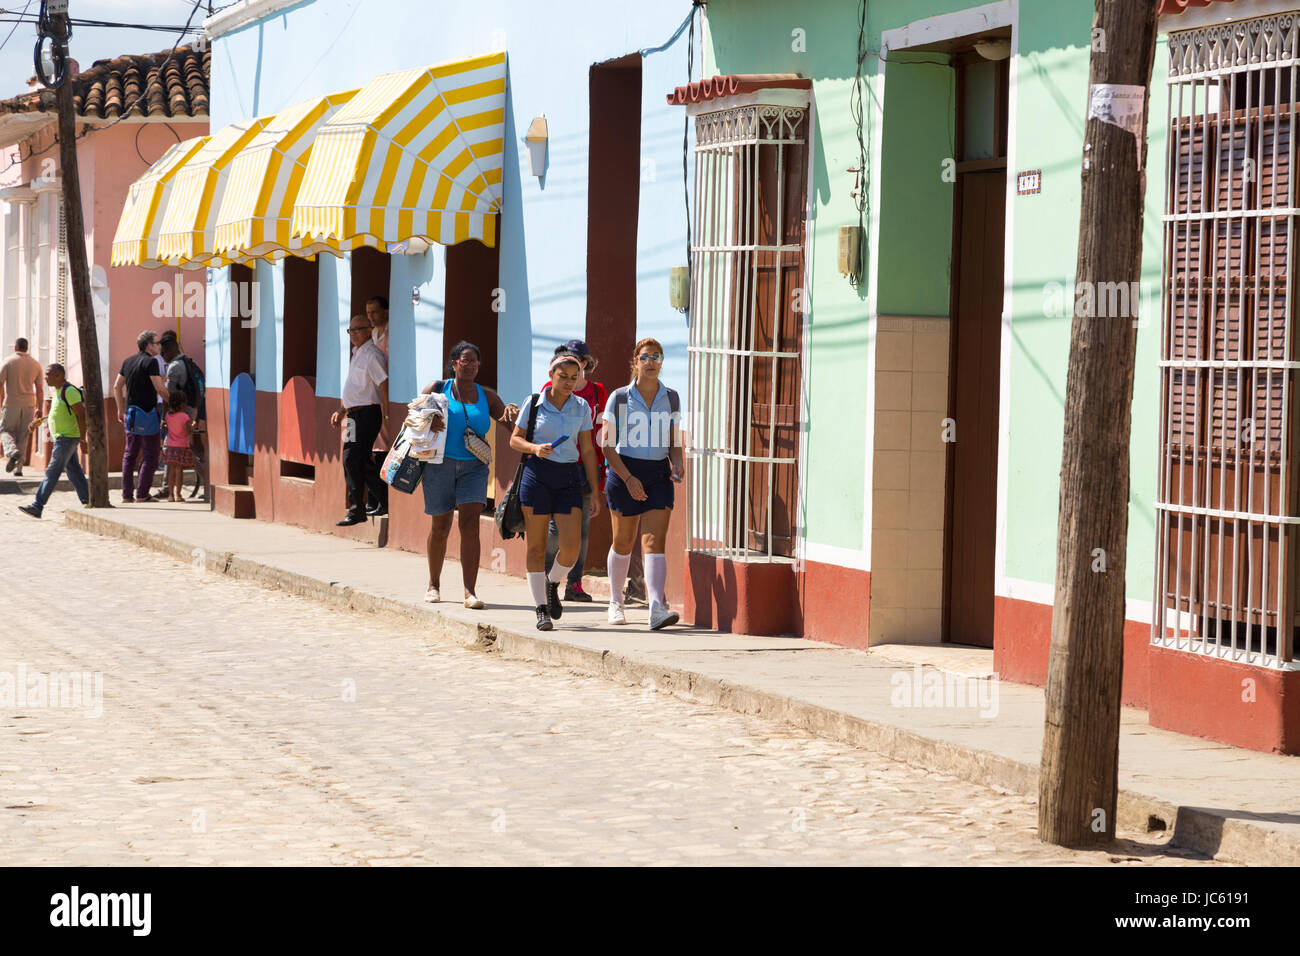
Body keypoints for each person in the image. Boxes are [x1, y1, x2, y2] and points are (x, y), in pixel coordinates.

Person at [419, 341, 520, 607]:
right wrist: (428, 419)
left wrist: (515, 416)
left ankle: (469, 592)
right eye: (465, 360)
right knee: (440, 526)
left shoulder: (487, 396)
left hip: (475, 467)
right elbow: (414, 421)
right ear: (454, 363)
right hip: (439, 465)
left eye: (475, 361)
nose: (471, 365)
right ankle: (433, 585)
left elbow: (511, 427)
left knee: (470, 525)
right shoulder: (437, 389)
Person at [510, 353, 601, 631]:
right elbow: (515, 439)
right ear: (551, 375)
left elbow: (587, 449)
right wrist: (535, 448)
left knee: (571, 547)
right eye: (563, 377)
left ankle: (551, 582)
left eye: (574, 377)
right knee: (536, 546)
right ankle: (541, 609)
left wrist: (595, 490)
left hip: (569, 477)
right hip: (537, 475)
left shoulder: (581, 406)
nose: (569, 382)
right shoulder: (533, 402)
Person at [600, 337, 684, 630]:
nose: (651, 362)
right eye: (645, 357)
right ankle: (615, 602)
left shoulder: (671, 397)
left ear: (662, 363)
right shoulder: (620, 397)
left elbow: (674, 441)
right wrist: (628, 478)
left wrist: (678, 462)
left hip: (658, 474)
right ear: (635, 362)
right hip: (625, 469)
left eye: (656, 357)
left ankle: (656, 607)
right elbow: (607, 445)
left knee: (653, 541)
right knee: (623, 541)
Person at [538, 340, 607, 604]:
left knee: (582, 529)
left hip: (585, 467)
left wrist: (599, 476)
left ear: (584, 364)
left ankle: (574, 584)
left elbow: (599, 434)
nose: (568, 370)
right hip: (556, 465)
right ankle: (548, 580)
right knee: (555, 530)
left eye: (574, 360)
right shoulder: (549, 388)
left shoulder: (597, 392)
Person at [331, 315, 389, 526]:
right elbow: (355, 388)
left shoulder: (372, 355)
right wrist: (342, 409)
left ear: (369, 330)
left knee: (352, 458)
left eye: (358, 329)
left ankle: (357, 509)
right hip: (354, 415)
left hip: (367, 414)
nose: (353, 334)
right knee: (357, 459)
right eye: (350, 330)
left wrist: (387, 413)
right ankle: (384, 499)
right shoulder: (357, 353)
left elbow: (383, 383)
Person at [17, 363, 88, 518]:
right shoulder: (58, 392)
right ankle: (88, 500)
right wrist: (41, 420)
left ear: (59, 375)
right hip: (62, 438)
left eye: (48, 374)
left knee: (52, 472)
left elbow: (82, 415)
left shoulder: (69, 391)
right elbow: (59, 413)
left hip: (67, 438)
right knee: (74, 472)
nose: (45, 377)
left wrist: (83, 440)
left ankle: (37, 505)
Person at [112, 330, 169, 503]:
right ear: (149, 345)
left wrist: (120, 409)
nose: (159, 346)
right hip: (148, 413)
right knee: (151, 454)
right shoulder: (151, 362)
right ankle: (142, 494)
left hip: (131, 414)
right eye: (157, 343)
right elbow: (159, 388)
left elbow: (117, 387)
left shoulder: (128, 361)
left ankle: (126, 495)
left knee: (129, 455)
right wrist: (173, 402)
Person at [0, 337, 43, 477]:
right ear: (27, 348)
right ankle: (18, 469)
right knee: (23, 435)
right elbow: (40, 389)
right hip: (30, 404)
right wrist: (40, 407)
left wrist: (1, 401)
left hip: (11, 403)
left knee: (5, 430)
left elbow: (0, 384)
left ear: (15, 347)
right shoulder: (36, 364)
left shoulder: (8, 362)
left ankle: (11, 451)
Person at [160, 389, 196, 503]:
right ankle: (178, 495)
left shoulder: (168, 415)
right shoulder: (184, 417)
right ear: (182, 404)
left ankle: (170, 495)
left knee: (171, 471)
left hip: (171, 446)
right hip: (181, 447)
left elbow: (167, 426)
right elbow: (187, 431)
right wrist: (193, 426)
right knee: (179, 471)